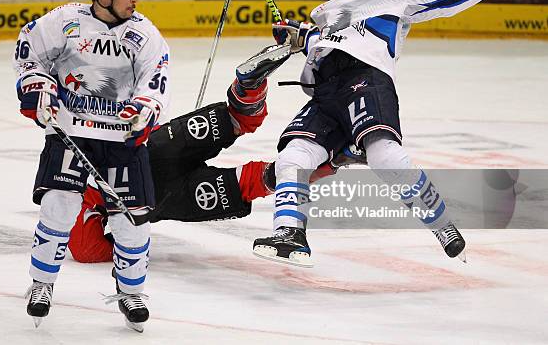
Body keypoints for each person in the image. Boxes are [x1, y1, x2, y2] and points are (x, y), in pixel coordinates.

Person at [251, 0, 520, 267]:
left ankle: (442, 225)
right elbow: (335, 40)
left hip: (366, 79)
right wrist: (301, 36)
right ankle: (290, 234)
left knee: (383, 155)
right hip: (327, 93)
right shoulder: (337, 17)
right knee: (294, 155)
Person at [67, 44, 368, 263]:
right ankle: (248, 87)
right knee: (234, 119)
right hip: (155, 147)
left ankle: (338, 156)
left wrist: (124, 241)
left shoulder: (74, 198)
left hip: (166, 196)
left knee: (256, 181)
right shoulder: (83, 144)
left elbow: (87, 249)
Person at [14, 0, 171, 332]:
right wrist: (40, 88)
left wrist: (145, 107)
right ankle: (42, 285)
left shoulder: (144, 34)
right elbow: (29, 52)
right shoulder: (64, 21)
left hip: (120, 140)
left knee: (133, 222)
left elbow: (157, 76)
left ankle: (131, 292)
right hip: (71, 132)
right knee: (58, 205)